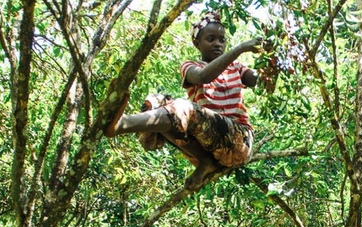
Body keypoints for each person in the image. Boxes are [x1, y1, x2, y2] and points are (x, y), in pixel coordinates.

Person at [105, 12, 263, 190]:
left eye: (222, 40)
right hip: (207, 147)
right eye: (211, 39)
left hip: (239, 142)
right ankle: (205, 162)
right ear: (197, 43)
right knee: (156, 101)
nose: (218, 44)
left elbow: (259, 80)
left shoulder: (237, 67)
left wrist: (271, 56)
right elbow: (203, 76)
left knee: (183, 107)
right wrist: (240, 48)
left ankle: (122, 124)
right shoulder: (190, 66)